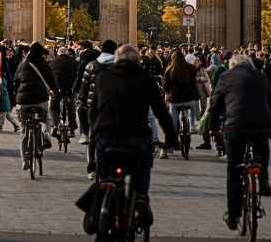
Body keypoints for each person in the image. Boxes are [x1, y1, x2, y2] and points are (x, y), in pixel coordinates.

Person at [90, 44, 177, 229]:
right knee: (142, 168)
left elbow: (94, 111)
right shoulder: (145, 78)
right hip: (136, 139)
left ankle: (98, 208)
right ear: (138, 60)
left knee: (104, 175)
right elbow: (161, 111)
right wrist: (171, 138)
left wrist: (93, 135)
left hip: (105, 137)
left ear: (116, 59)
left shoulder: (103, 77)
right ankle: (141, 199)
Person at [207, 52, 271, 230]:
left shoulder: (226, 77)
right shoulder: (261, 76)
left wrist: (213, 128)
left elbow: (215, 104)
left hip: (235, 126)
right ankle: (264, 182)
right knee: (262, 150)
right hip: (261, 124)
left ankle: (233, 215)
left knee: (233, 168)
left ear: (232, 65)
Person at [80, 39, 118, 175]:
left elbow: (84, 87)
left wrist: (82, 101)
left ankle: (91, 168)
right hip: (114, 107)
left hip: (94, 106)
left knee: (93, 136)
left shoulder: (91, 66)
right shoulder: (120, 66)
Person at [14, 41, 58, 155]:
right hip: (40, 99)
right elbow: (52, 82)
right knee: (46, 117)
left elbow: (15, 81)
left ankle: (24, 161)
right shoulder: (45, 65)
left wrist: (16, 96)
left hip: (23, 101)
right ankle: (46, 133)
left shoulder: (23, 65)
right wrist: (56, 93)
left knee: (23, 129)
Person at [163, 49, 201, 158]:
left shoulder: (169, 70)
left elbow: (166, 87)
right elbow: (194, 81)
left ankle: (169, 147)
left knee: (173, 125)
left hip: (175, 100)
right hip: (190, 99)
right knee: (193, 106)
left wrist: (167, 94)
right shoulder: (191, 68)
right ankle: (192, 124)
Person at [74, 39, 101, 143]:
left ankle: (84, 133)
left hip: (87, 89)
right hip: (102, 91)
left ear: (83, 48)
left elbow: (81, 77)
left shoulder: (84, 60)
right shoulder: (100, 59)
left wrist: (75, 90)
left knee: (81, 108)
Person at [52, 46, 79, 136]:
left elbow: (50, 77)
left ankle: (55, 124)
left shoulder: (53, 62)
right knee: (71, 108)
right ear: (67, 53)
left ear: (58, 53)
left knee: (53, 107)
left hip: (57, 90)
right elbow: (77, 75)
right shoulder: (74, 62)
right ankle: (71, 129)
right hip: (69, 90)